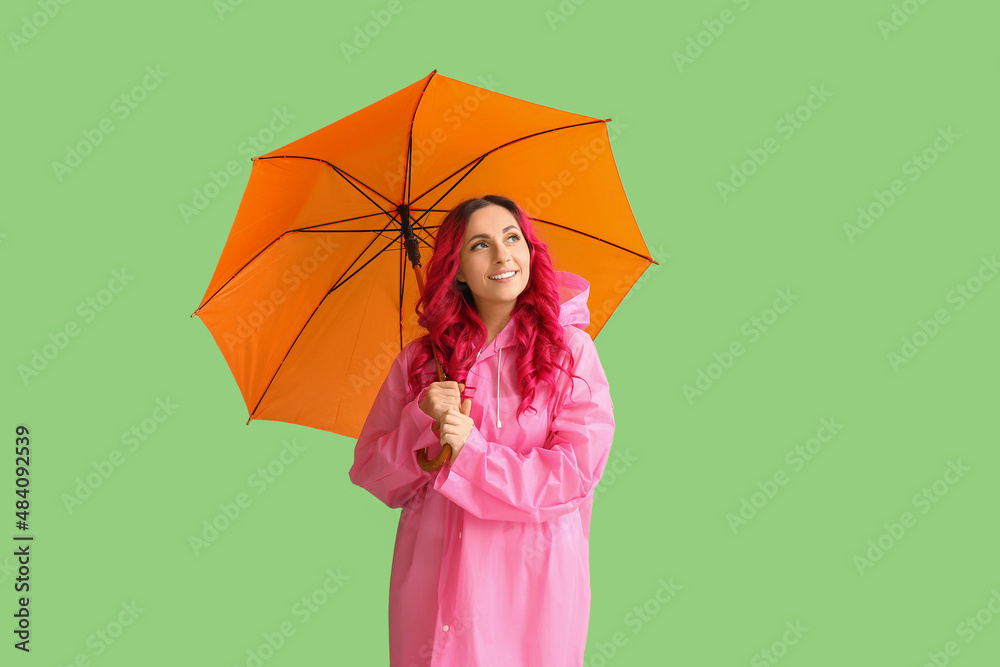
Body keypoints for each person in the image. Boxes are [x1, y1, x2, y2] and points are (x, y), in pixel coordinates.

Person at [349, 194, 615, 666]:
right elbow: (373, 474)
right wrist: (419, 420)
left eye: (513, 238)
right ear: (456, 270)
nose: (502, 255)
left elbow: (573, 476)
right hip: (432, 586)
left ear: (531, 252)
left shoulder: (570, 353)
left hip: (532, 590)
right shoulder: (421, 362)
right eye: (479, 244)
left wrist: (470, 452)